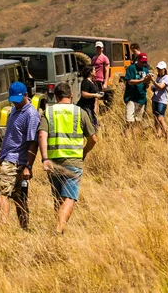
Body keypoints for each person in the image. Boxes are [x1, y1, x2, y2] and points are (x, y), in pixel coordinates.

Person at [38, 82, 97, 234]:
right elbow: (93, 139)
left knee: (57, 198)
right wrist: (84, 152)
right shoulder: (80, 112)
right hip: (73, 161)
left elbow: (42, 135)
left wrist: (45, 159)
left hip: (53, 161)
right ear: (71, 96)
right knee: (69, 197)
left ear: (56, 96)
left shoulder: (48, 112)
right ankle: (58, 229)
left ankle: (59, 230)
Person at [0, 82, 39, 230]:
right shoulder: (14, 109)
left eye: (17, 99)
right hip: (8, 157)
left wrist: (28, 166)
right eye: (12, 99)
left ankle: (2, 228)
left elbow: (33, 143)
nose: (15, 102)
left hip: (16, 160)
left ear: (26, 95)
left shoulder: (31, 114)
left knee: (0, 192)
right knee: (19, 197)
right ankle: (25, 229)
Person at [123, 52, 151, 133]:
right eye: (142, 61)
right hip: (131, 97)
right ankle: (127, 139)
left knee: (138, 121)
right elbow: (129, 82)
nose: (143, 63)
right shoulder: (131, 68)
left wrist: (147, 81)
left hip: (141, 97)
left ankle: (135, 139)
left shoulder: (146, 70)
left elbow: (146, 86)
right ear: (138, 60)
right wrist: (142, 80)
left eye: (145, 62)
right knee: (129, 120)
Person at [77, 65, 103, 129]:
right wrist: (95, 95)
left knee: (95, 124)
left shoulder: (93, 82)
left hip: (91, 106)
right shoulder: (85, 82)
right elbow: (84, 94)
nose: (95, 71)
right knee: (92, 125)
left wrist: (96, 106)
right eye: (94, 70)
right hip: (85, 107)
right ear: (90, 72)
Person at [150, 61, 168, 137]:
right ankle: (158, 134)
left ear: (164, 69)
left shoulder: (166, 78)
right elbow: (154, 88)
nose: (159, 70)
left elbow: (161, 87)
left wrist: (153, 81)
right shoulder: (157, 77)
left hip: (162, 101)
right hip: (155, 99)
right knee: (155, 119)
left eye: (161, 69)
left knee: (160, 119)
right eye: (158, 68)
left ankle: (167, 135)